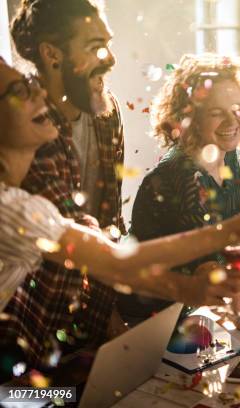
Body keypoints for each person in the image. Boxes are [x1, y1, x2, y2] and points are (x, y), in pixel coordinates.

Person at [0, 57, 240, 377]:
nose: (42, 94)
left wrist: (223, 288)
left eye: (33, 84)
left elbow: (113, 261)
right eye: (21, 89)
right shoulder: (14, 210)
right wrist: (237, 233)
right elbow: (118, 263)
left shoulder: (26, 204)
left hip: (183, 306)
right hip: (156, 319)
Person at [2, 0, 128, 361]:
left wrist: (106, 317)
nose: (111, 59)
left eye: (108, 42)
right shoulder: (27, 127)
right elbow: (74, 235)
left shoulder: (107, 112)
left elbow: (108, 219)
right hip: (26, 331)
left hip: (86, 316)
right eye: (94, 46)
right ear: (52, 55)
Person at [117, 53, 240, 330]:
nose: (232, 121)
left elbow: (232, 238)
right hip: (149, 315)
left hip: (192, 302)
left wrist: (239, 311)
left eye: (237, 108)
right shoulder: (179, 176)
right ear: (189, 117)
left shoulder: (227, 154)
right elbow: (210, 265)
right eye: (216, 113)